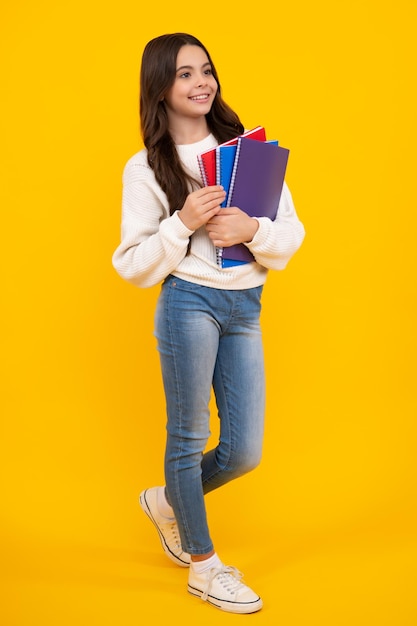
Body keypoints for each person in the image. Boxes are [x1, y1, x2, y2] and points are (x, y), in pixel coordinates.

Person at [112, 32, 305, 614]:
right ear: (161, 89)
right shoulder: (146, 167)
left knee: (244, 450)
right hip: (188, 303)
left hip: (246, 306)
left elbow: (292, 234)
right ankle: (204, 566)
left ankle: (167, 501)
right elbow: (132, 265)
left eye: (206, 70)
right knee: (189, 435)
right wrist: (180, 223)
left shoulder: (247, 151)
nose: (201, 83)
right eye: (184, 75)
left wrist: (253, 231)